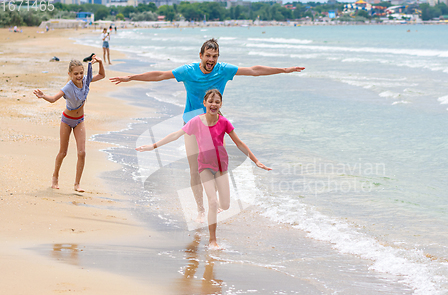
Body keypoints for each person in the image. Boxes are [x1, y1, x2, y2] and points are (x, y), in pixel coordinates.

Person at [111, 38, 303, 221]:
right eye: (208, 55)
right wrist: (131, 77)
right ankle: (201, 210)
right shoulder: (188, 71)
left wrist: (284, 70)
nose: (211, 60)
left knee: (218, 166)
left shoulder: (223, 70)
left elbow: (253, 70)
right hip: (192, 124)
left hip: (215, 124)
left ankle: (215, 202)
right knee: (195, 170)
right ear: (200, 55)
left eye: (215, 56)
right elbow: (161, 75)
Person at [136, 89, 271, 249]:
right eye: (211, 101)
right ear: (204, 103)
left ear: (220, 104)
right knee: (212, 202)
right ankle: (213, 240)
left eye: (217, 102)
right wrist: (153, 146)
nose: (214, 104)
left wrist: (256, 161)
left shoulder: (224, 122)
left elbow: (239, 143)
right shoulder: (196, 122)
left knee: (225, 205)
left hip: (221, 166)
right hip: (205, 166)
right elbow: (175, 134)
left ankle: (214, 212)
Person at [33, 55, 105, 192]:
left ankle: (77, 184)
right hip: (67, 120)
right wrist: (43, 96)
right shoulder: (68, 87)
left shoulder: (86, 81)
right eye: (76, 73)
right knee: (63, 152)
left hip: (80, 121)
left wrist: (100, 62)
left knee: (82, 152)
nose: (79, 76)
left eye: (81, 73)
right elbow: (54, 98)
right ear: (70, 74)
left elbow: (101, 75)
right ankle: (55, 176)